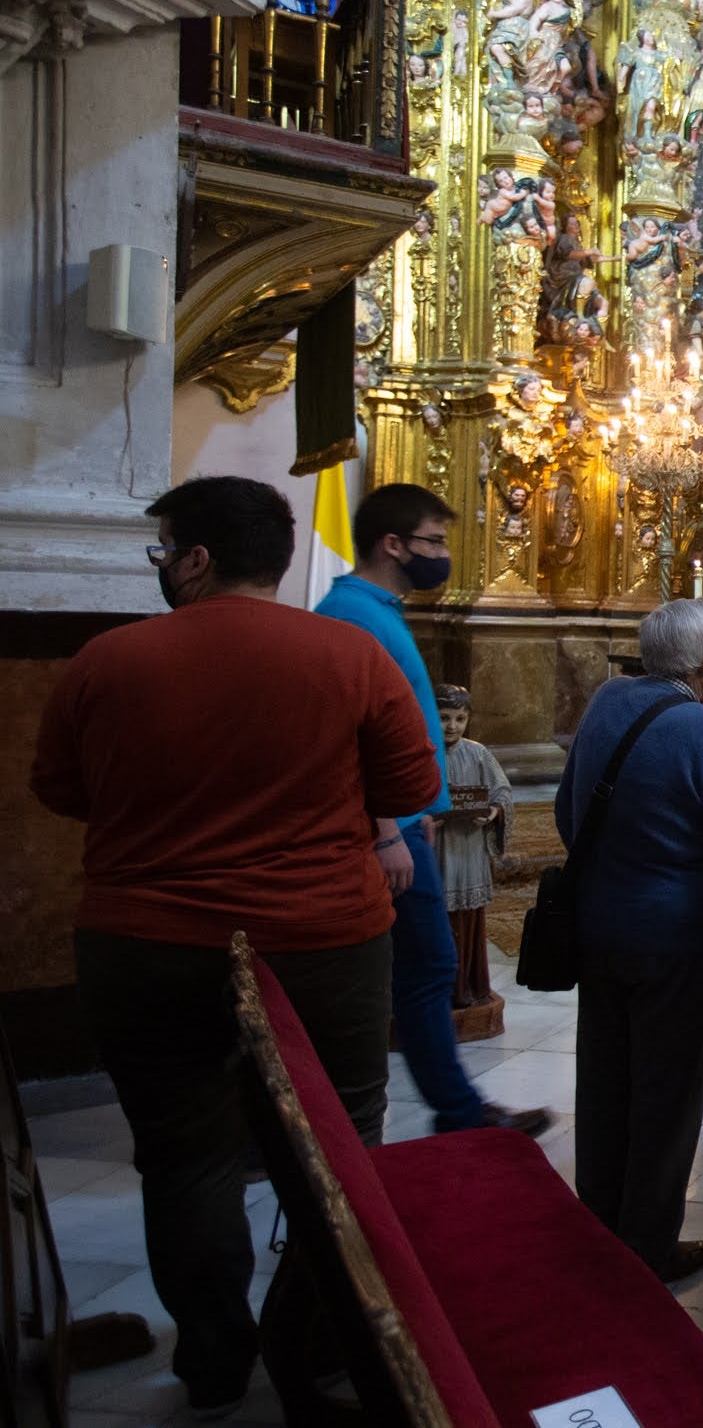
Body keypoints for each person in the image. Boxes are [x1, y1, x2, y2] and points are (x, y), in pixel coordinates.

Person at [31, 476, 443, 1420]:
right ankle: (319, 1342)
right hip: (324, 940)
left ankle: (214, 1361)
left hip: (148, 940)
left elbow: (59, 784)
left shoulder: (108, 660)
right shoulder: (349, 654)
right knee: (339, 1149)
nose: (160, 566)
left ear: (197, 558)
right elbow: (411, 779)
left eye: (161, 549)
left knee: (184, 1155)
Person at [316, 484, 549, 1140]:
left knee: (423, 967)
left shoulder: (372, 608)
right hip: (386, 832)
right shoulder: (353, 615)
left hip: (404, 823)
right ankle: (452, 1110)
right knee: (424, 966)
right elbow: (351, 734)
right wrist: (388, 824)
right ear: (393, 545)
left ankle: (455, 1107)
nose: (442, 555)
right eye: (434, 542)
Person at [558, 599, 703, 1282]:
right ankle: (646, 1244)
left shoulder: (607, 700)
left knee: (605, 1075)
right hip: (671, 936)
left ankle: (597, 1220)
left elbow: (567, 811)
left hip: (598, 923)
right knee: (666, 1090)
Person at [430, 684, 512, 1010]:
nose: (452, 726)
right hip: (436, 850)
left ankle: (468, 988)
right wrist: (423, 818)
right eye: (444, 718)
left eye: (460, 718)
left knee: (467, 923)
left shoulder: (478, 754)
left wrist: (492, 813)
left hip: (468, 851)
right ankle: (437, 994)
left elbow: (502, 791)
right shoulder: (421, 752)